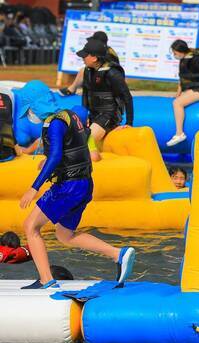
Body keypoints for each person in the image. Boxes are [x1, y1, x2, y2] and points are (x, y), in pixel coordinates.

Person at [17, 81, 135, 289]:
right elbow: (74, 147)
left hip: (68, 186)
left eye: (30, 110)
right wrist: (51, 162)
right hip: (83, 184)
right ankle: (118, 254)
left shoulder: (53, 123)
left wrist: (34, 187)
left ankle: (47, 280)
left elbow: (55, 155)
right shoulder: (70, 115)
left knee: (30, 226)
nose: (30, 115)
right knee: (65, 234)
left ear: (36, 105)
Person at [79, 38, 133, 162]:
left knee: (85, 142)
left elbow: (127, 98)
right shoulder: (87, 71)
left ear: (94, 58)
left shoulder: (112, 73)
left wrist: (129, 123)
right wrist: (84, 116)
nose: (83, 58)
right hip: (94, 114)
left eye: (85, 56)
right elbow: (85, 95)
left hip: (109, 115)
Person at [166, 40, 199, 147]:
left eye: (175, 53)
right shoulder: (184, 59)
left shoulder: (196, 59)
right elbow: (183, 80)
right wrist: (178, 93)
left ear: (181, 51)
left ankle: (179, 134)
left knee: (177, 103)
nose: (174, 55)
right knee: (177, 100)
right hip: (194, 88)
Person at [60, 31, 120, 97]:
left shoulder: (106, 53)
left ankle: (72, 89)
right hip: (107, 79)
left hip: (109, 85)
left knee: (85, 71)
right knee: (85, 70)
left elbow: (105, 72)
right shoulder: (106, 50)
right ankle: (74, 89)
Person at [0, 92, 17, 162]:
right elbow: (8, 123)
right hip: (8, 153)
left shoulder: (6, 98)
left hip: (7, 153)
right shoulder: (6, 97)